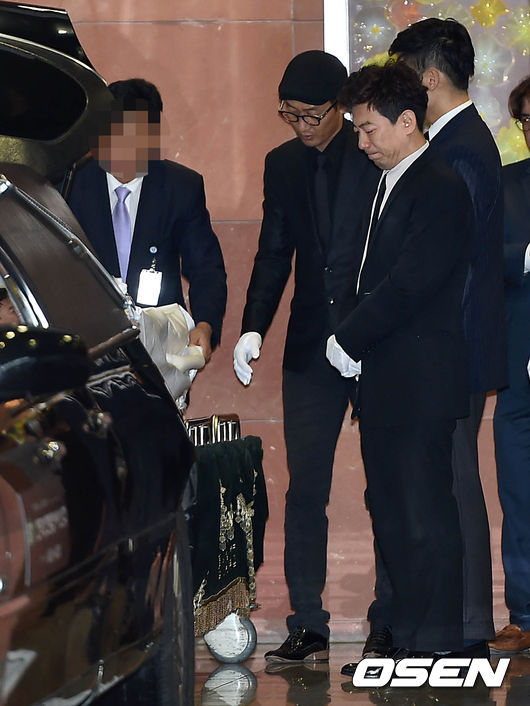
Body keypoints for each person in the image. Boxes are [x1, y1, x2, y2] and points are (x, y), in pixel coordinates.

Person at [358, 17, 506, 661]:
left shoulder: (459, 150)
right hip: (435, 350)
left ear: (429, 80)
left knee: (446, 494)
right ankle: (436, 628)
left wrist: (428, 349)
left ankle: (464, 630)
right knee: (430, 491)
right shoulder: (448, 146)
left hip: (448, 348)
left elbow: (452, 265)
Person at [233, 50, 379, 662]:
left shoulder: (374, 154)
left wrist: (368, 332)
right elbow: (274, 252)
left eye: (310, 115)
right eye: (288, 114)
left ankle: (390, 618)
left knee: (388, 485)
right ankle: (308, 621)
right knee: (304, 489)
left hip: (374, 340)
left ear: (340, 107)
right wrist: (252, 328)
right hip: (311, 346)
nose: (300, 126)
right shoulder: (283, 163)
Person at [328, 61, 473, 674]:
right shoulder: (388, 181)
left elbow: (412, 281)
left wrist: (350, 336)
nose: (361, 143)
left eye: (368, 129)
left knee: (422, 513)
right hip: (385, 379)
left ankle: (436, 640)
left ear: (407, 121)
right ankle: (409, 635)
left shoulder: (438, 185)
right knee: (391, 512)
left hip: (420, 378)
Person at [68, 78, 227, 360]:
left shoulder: (181, 187)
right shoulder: (71, 185)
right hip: (88, 340)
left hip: (159, 341)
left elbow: (205, 266)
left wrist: (205, 323)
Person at [489, 75, 530, 654]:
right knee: (518, 494)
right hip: (517, 375)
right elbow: (479, 257)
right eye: (526, 120)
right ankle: (523, 611)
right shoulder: (507, 184)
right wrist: (524, 255)